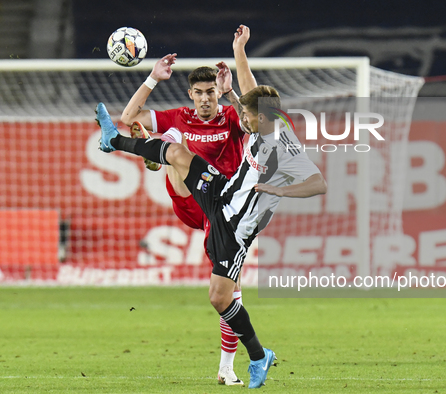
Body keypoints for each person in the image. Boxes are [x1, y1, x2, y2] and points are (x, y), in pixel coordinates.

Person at [95, 82, 327, 388]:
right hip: (221, 193)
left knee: (219, 298)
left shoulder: (285, 147)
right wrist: (237, 59)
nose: (242, 118)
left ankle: (259, 355)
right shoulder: (267, 120)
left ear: (263, 118)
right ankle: (115, 141)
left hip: (234, 230)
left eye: (247, 115)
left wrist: (279, 189)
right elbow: (249, 90)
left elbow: (318, 183)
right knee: (178, 153)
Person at [119, 53, 248, 385]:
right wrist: (152, 78)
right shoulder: (181, 116)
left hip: (223, 210)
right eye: (199, 93)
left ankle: (226, 368)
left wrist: (231, 91)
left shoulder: (231, 118)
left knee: (228, 290)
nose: (205, 99)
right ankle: (162, 149)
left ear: (216, 93)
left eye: (210, 92)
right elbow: (127, 116)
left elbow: (252, 121)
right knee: (179, 149)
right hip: (190, 200)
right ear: (191, 94)